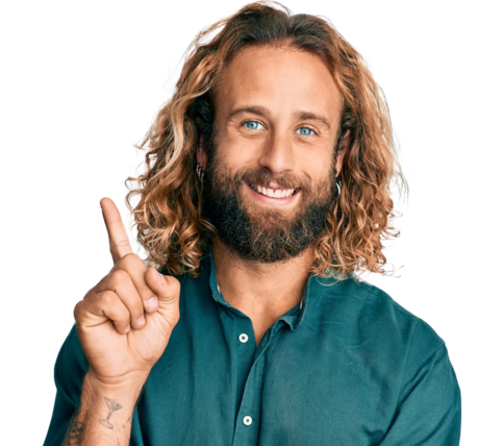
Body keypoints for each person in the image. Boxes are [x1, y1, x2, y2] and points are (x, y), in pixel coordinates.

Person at [42, 1, 462, 445]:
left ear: (339, 154)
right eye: (252, 123)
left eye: (306, 130)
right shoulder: (117, 327)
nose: (276, 160)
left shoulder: (411, 365)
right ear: (203, 142)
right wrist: (110, 389)